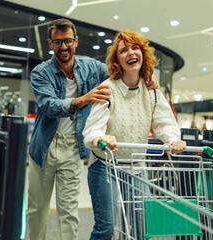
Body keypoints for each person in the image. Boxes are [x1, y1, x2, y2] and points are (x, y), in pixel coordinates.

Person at [28, 19, 159, 240]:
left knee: (68, 212)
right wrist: (83, 100)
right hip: (44, 147)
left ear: (76, 41)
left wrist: (147, 75)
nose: (63, 47)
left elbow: (121, 71)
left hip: (73, 147)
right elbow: (49, 106)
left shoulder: (91, 67)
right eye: (57, 42)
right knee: (37, 211)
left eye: (68, 41)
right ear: (50, 44)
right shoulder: (40, 73)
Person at [83, 30, 186, 239]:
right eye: (124, 50)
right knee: (106, 228)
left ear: (143, 54)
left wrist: (173, 139)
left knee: (140, 227)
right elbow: (92, 129)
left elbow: (164, 122)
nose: (131, 53)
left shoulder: (152, 90)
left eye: (135, 48)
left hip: (136, 167)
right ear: (117, 60)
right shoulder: (107, 89)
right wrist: (100, 138)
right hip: (105, 166)